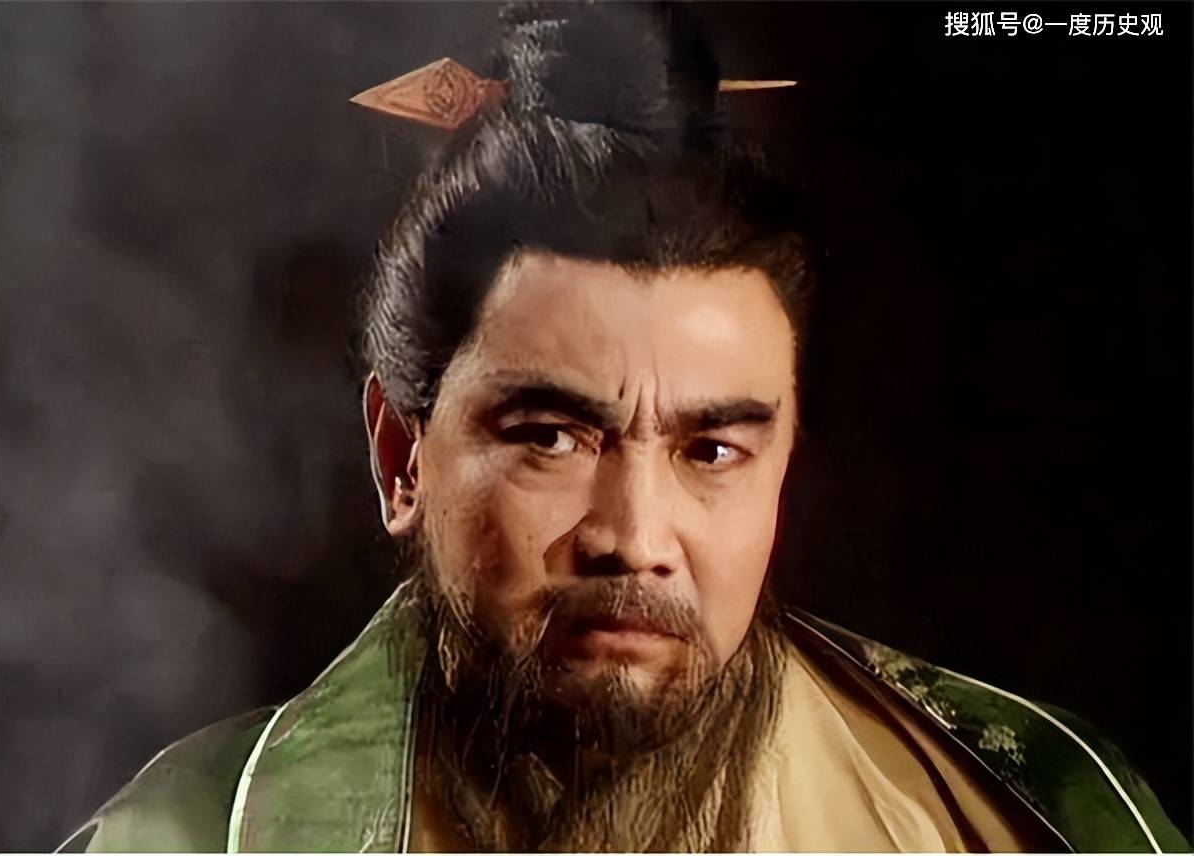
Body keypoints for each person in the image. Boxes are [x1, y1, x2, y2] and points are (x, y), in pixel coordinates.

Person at [60, 5, 1187, 853]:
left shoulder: (1021, 817)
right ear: (402, 458)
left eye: (712, 451)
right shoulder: (187, 839)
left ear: (786, 463)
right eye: (551, 437)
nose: (636, 538)